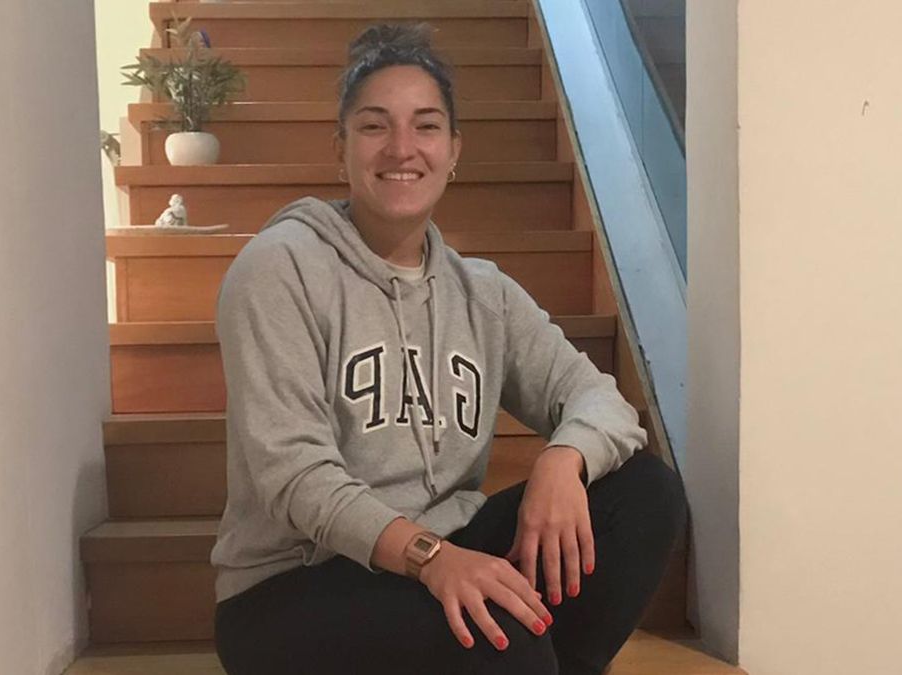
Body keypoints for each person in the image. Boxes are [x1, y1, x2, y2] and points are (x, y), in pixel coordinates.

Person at [210, 23, 687, 675]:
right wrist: (432, 559)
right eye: (374, 126)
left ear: (454, 149)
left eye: (426, 126)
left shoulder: (483, 293)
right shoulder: (279, 269)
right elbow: (294, 476)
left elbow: (599, 399)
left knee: (644, 494)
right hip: (292, 586)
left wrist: (564, 459)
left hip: (442, 549)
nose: (402, 147)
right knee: (501, 641)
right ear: (340, 149)